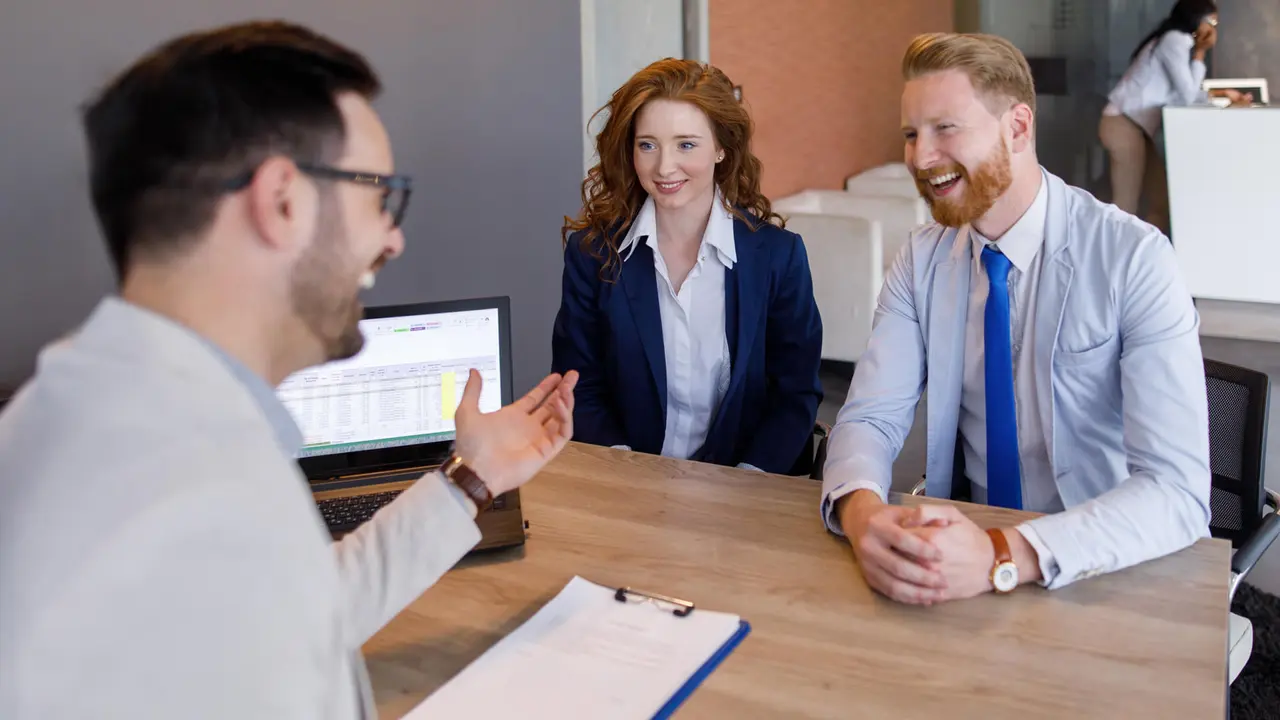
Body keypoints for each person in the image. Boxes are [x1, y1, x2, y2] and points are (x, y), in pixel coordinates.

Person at [0, 21, 578, 718]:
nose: (393, 237)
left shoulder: (87, 417)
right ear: (282, 201)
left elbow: (297, 612)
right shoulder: (195, 496)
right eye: (379, 197)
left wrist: (471, 478)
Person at [819, 32, 1210, 605]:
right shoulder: (921, 259)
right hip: (966, 555)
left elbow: (1176, 489)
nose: (920, 158)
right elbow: (870, 418)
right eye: (911, 134)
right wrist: (862, 515)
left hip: (1100, 561)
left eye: (945, 128)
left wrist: (1002, 554)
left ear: (1018, 128)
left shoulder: (1133, 258)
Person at [551, 58, 823, 475]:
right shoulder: (593, 254)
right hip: (626, 484)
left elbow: (795, 394)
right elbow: (580, 383)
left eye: (686, 145)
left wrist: (748, 482)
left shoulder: (778, 257)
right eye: (648, 145)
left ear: (721, 148)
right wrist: (627, 474)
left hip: (747, 490)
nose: (664, 167)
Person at [1098, 0, 1234, 234]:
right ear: (1196, 18)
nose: (1214, 28)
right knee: (1126, 205)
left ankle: (1150, 253)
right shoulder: (1175, 40)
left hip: (1134, 127)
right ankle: (1113, 255)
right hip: (1124, 125)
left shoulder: (1174, 41)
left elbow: (1182, 92)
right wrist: (1201, 52)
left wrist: (1221, 94)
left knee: (1159, 200)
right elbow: (1187, 95)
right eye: (1212, 21)